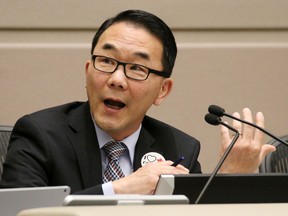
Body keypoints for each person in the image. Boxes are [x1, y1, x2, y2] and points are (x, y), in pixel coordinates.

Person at [0, 9, 275, 195]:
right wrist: (120, 189)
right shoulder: (39, 134)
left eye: (137, 69)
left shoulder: (179, 148)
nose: (117, 79)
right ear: (87, 71)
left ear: (163, 91)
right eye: (106, 61)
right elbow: (21, 212)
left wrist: (226, 185)